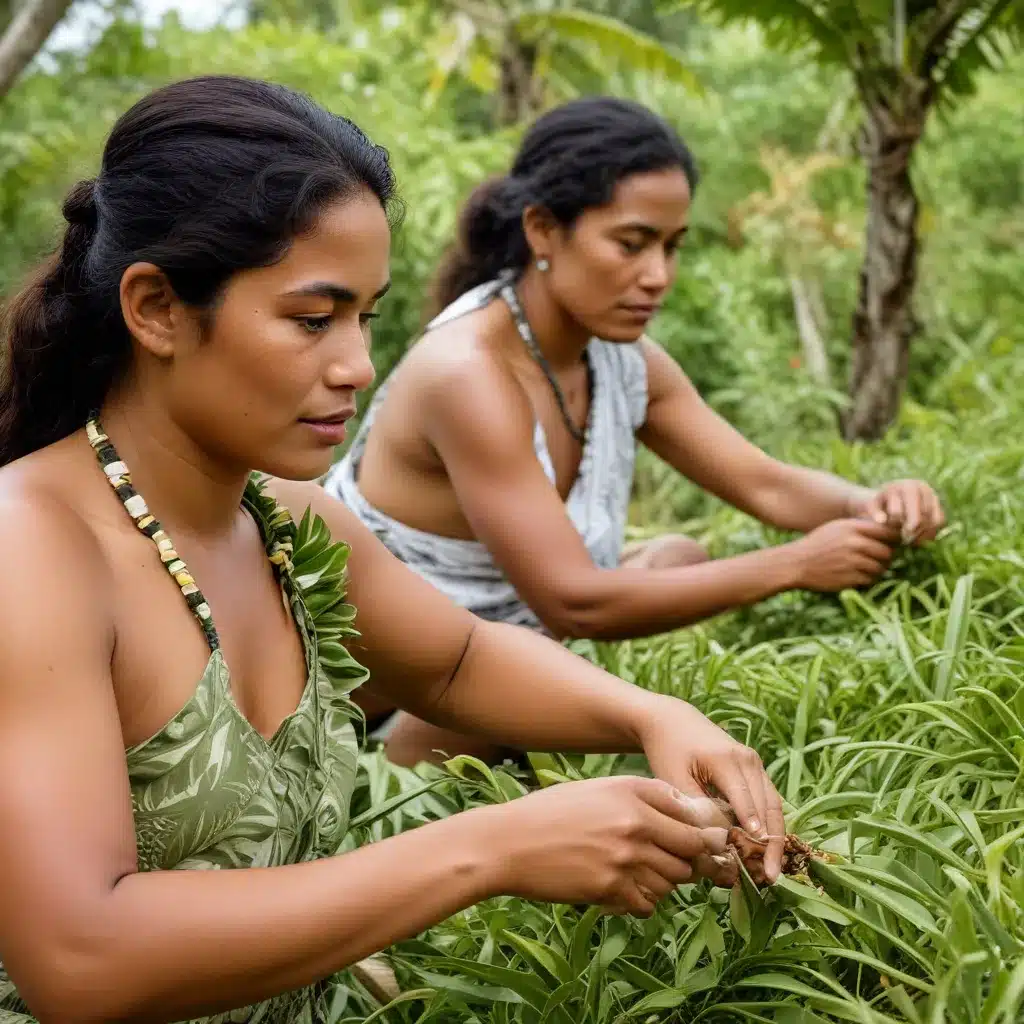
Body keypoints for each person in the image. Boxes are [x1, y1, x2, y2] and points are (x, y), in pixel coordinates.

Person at [0, 76, 786, 1024]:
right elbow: (80, 957)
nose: (358, 367)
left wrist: (654, 716)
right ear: (158, 308)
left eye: (366, 317)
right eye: (310, 318)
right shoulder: (34, 553)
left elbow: (456, 660)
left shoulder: (285, 521)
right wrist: (492, 850)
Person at [323, 96, 945, 767]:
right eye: (631, 243)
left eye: (672, 247)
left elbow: (766, 484)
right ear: (542, 231)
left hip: (496, 650)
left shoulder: (617, 360)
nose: (658, 277)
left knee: (678, 557)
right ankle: (391, 779)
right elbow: (573, 604)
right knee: (556, 643)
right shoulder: (467, 374)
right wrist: (794, 565)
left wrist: (871, 502)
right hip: (366, 700)